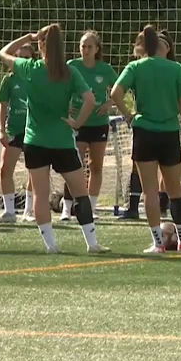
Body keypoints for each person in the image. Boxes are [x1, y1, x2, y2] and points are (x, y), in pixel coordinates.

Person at [0, 24, 109, 253]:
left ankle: (51, 245)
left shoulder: (30, 68)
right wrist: (77, 122)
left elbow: (3, 52)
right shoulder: (70, 71)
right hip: (62, 141)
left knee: (40, 194)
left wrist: (28, 37)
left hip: (35, 141)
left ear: (40, 44)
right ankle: (92, 243)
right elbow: (89, 99)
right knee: (80, 193)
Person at [111, 25, 181, 252]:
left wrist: (128, 116)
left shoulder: (135, 66)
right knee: (174, 191)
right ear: (164, 48)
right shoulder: (175, 68)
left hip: (144, 132)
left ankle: (158, 243)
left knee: (149, 191)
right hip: (169, 132)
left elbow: (115, 94)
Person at [60, 31, 119, 221]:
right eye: (83, 46)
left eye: (89, 46)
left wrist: (109, 103)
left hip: (98, 123)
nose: (85, 50)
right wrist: (65, 105)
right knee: (74, 165)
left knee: (96, 166)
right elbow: (60, 87)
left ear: (97, 49)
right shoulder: (72, 66)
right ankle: (67, 208)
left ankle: (91, 208)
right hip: (77, 122)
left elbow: (120, 88)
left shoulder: (105, 69)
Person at [0, 43, 35, 224]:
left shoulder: (36, 78)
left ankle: (29, 211)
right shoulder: (9, 80)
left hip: (33, 130)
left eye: (27, 57)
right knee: (5, 169)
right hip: (14, 129)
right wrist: (1, 130)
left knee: (34, 171)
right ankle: (9, 211)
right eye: (19, 57)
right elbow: (3, 106)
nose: (22, 61)